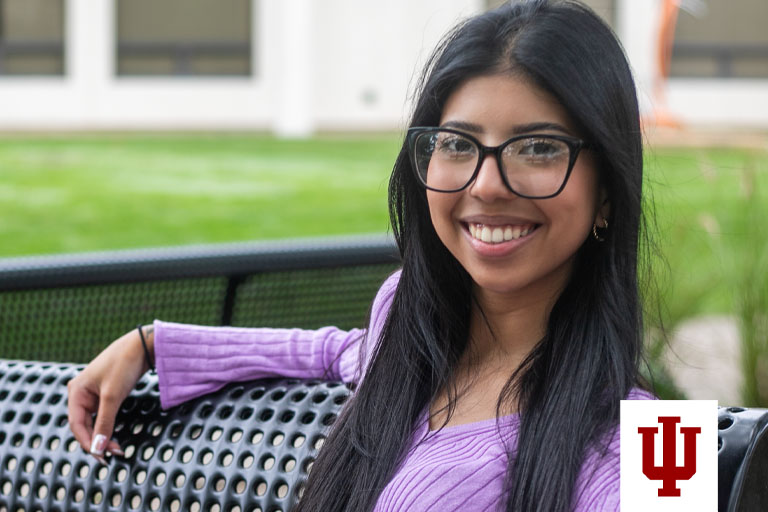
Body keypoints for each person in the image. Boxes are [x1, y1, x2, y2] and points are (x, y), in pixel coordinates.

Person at [67, 1, 657, 510]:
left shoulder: (657, 441)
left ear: (607, 188)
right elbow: (332, 351)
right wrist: (153, 345)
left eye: (538, 148)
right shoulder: (407, 328)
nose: (486, 185)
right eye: (456, 143)